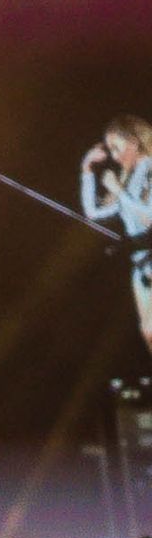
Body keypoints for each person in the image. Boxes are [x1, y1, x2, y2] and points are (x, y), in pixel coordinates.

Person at [83, 119, 152, 359]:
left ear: (134, 142)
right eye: (110, 150)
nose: (114, 156)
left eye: (117, 147)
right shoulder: (127, 178)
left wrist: (120, 192)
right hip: (141, 265)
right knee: (148, 330)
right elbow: (93, 213)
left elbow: (148, 219)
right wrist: (87, 170)